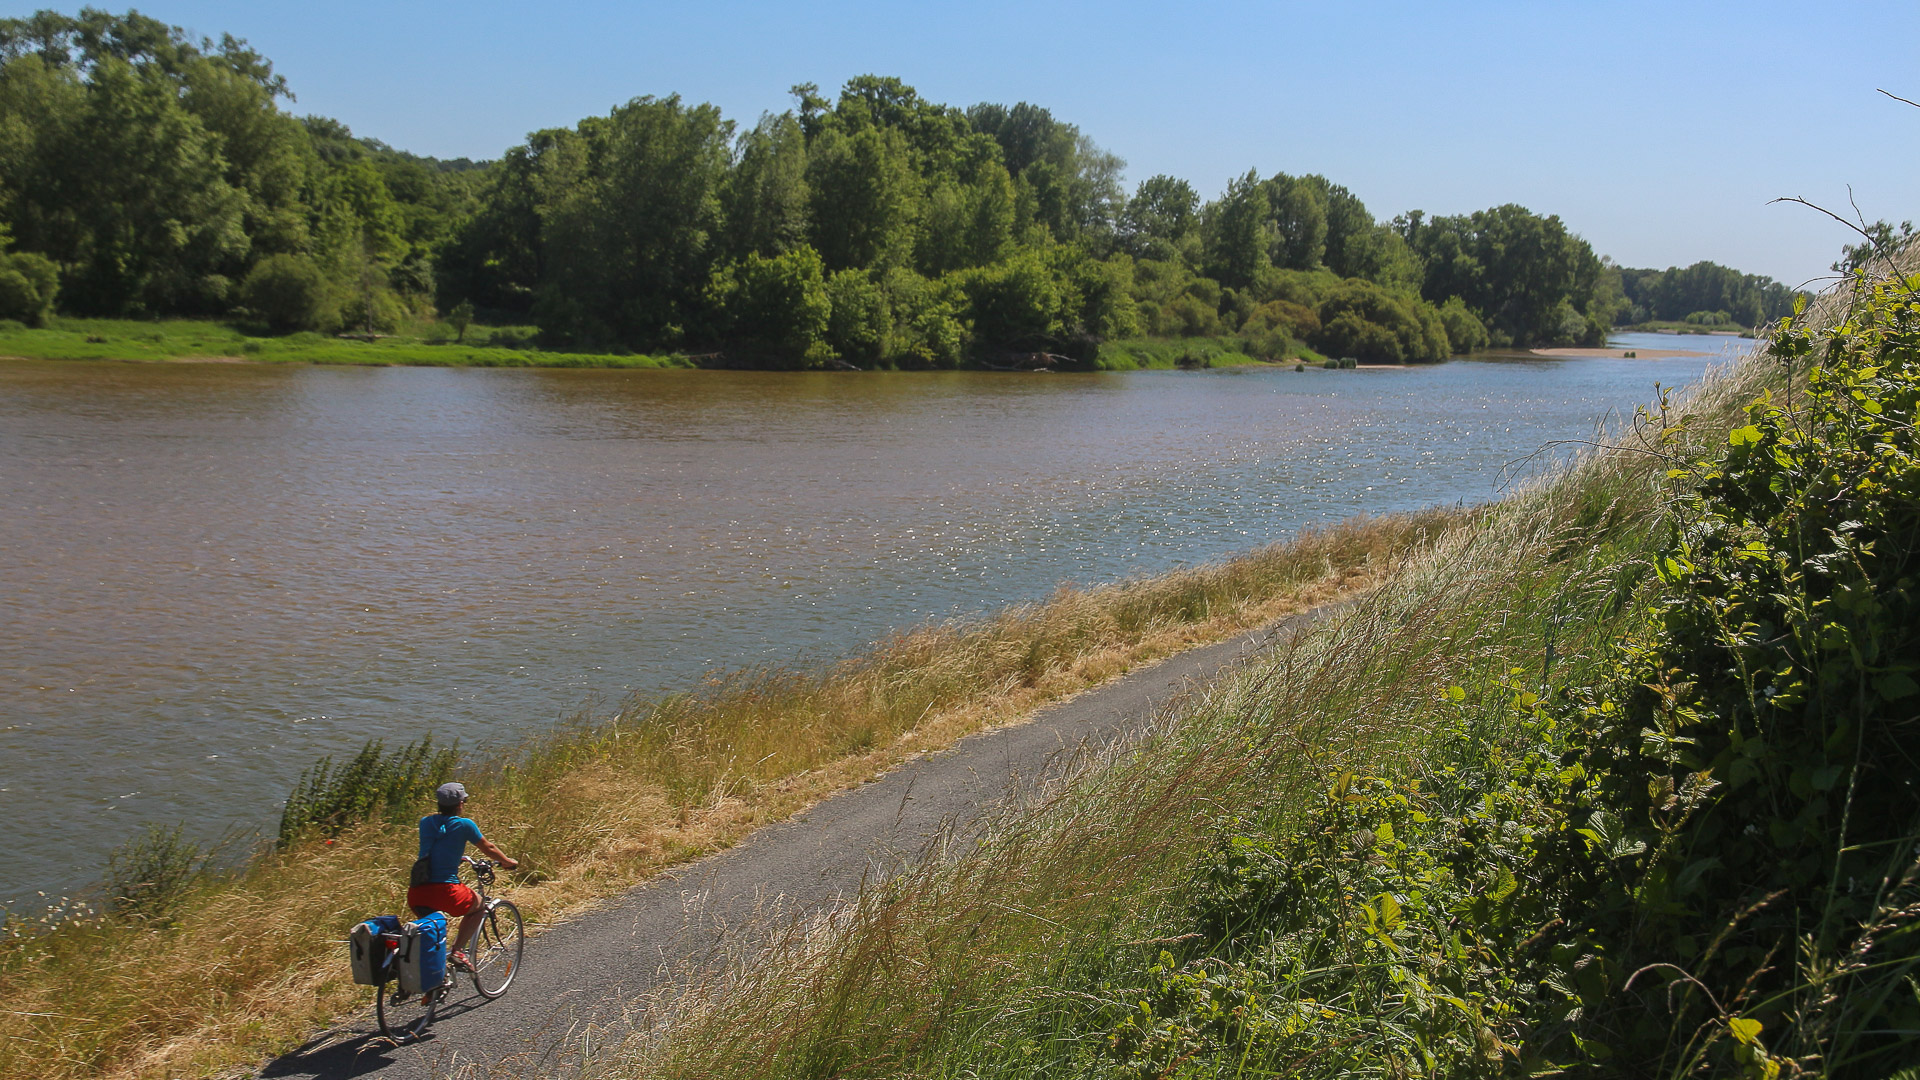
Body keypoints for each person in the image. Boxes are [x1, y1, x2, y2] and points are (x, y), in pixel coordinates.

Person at [406, 781, 518, 969]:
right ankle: (458, 951)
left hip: (417, 892)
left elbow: (437, 845)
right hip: (446, 890)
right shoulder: (465, 825)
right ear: (459, 804)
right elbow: (488, 847)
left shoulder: (425, 822)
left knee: (433, 930)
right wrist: (507, 862)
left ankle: (432, 977)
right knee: (479, 907)